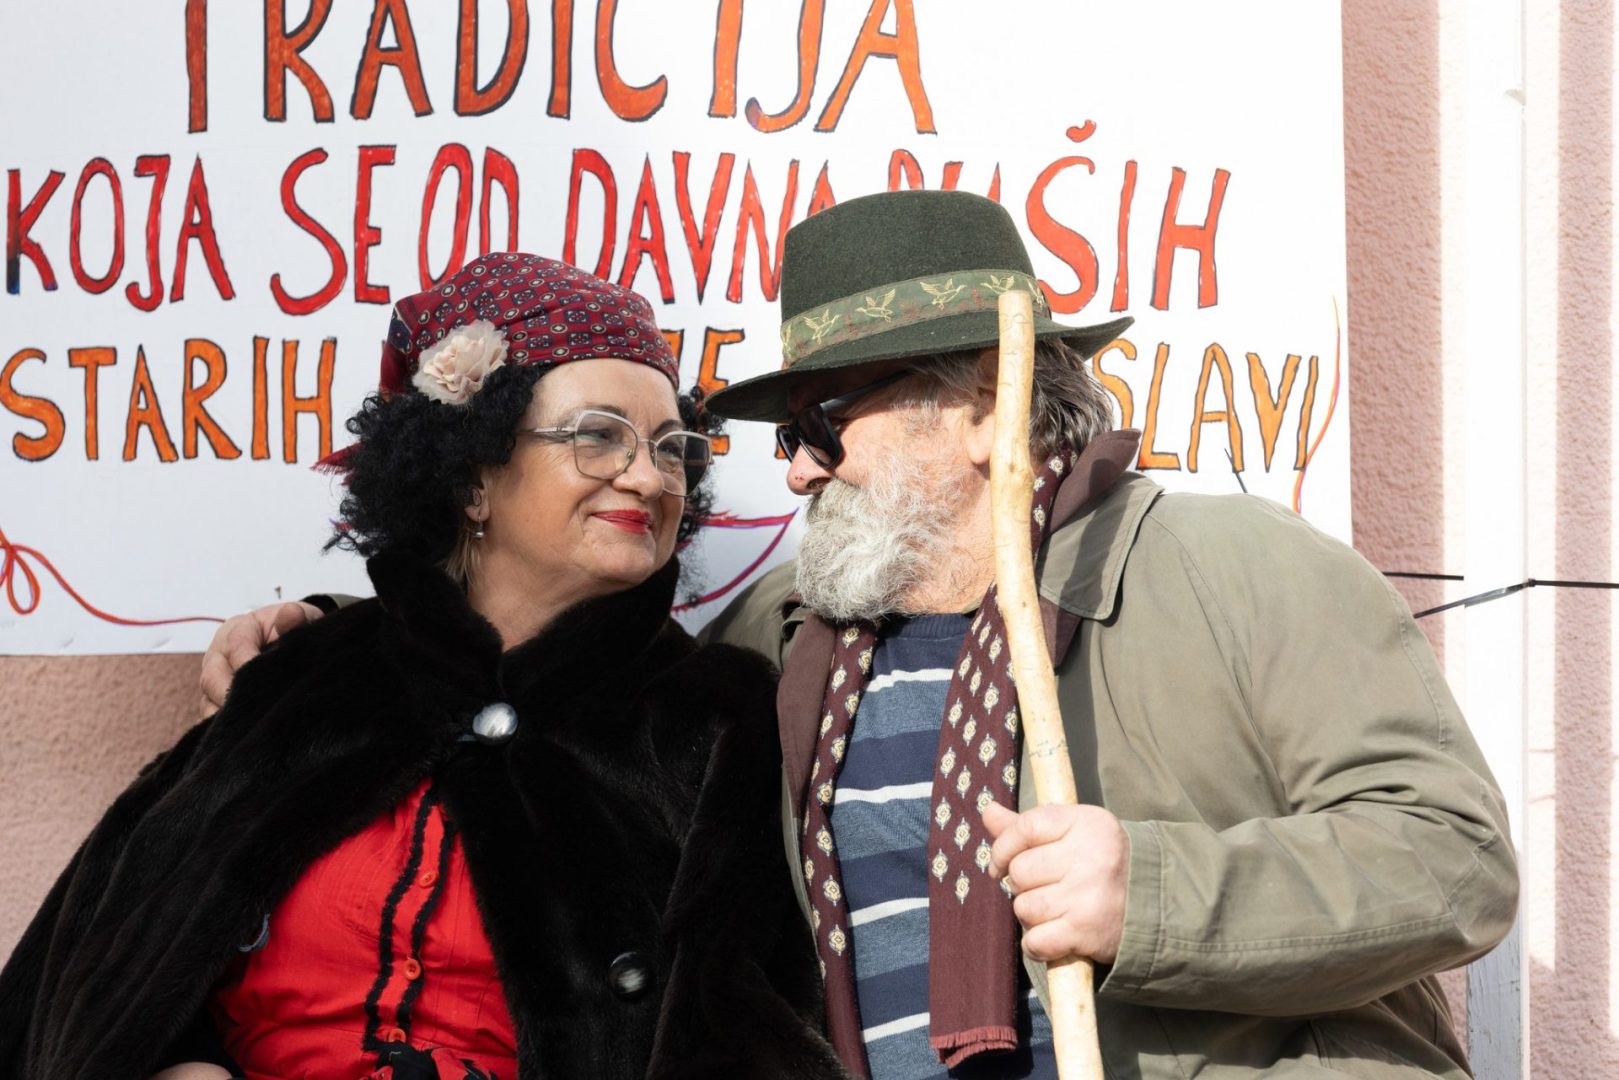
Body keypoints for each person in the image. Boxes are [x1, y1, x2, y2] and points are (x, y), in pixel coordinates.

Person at [194, 192, 1520, 1080]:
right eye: (785, 435)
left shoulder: (1232, 569)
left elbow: (1452, 859)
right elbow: (564, 686)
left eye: (823, 422)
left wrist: (1152, 894)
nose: (796, 470)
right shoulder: (789, 638)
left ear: (986, 409)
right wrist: (343, 637)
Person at [0, 254, 845, 1080]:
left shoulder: (713, 721)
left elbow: (747, 1029)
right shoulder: (308, 677)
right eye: (599, 436)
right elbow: (104, 971)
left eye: (671, 448)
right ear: (472, 475)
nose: (647, 477)